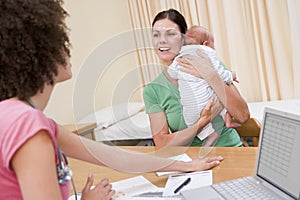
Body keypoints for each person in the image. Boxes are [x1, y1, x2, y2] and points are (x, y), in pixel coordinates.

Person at [0, 1, 224, 200]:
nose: (67, 47)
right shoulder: (27, 125)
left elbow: (117, 157)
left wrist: (185, 166)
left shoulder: (24, 117)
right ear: (42, 52)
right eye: (61, 40)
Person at [143, 8, 249, 148]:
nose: (162, 41)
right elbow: (162, 143)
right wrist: (202, 122)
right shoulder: (153, 90)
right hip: (192, 164)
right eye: (156, 35)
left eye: (170, 34)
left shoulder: (208, 63)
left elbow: (243, 115)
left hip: (230, 151)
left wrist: (209, 75)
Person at [167, 25, 240, 146]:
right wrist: (231, 75)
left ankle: (209, 138)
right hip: (206, 106)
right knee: (223, 97)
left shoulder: (180, 57)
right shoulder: (207, 53)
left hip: (189, 115)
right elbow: (220, 74)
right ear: (206, 44)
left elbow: (171, 73)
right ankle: (228, 121)